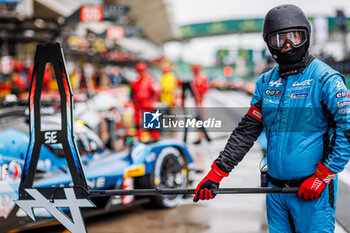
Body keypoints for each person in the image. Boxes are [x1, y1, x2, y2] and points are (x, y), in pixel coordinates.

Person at [193, 4, 350, 233]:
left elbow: (347, 130)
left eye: (295, 37)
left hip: (313, 191)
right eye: (279, 39)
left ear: (306, 37)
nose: (288, 46)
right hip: (275, 193)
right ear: (269, 44)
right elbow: (246, 131)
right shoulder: (266, 82)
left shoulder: (326, 79)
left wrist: (322, 176)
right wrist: (216, 173)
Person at [130, 62, 160, 141]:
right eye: (138, 70)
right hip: (138, 104)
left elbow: (156, 92)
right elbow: (132, 93)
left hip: (147, 104)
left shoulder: (150, 80)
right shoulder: (135, 82)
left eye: (141, 70)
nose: (140, 72)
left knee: (151, 118)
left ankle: (154, 136)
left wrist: (152, 102)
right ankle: (139, 135)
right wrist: (132, 102)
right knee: (137, 120)